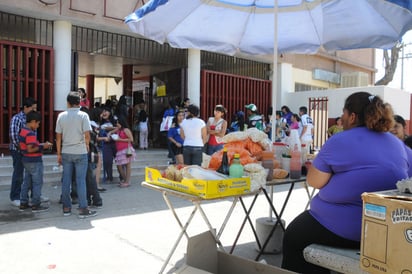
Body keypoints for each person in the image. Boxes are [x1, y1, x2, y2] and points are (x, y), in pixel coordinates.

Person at [281, 92, 412, 273]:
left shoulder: (339, 141)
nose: (341, 119)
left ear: (352, 116)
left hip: (343, 228)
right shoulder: (397, 144)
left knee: (293, 235)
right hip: (387, 229)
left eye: (343, 113)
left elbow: (314, 181)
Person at [55, 91, 97, 218]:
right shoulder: (83, 115)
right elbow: (87, 135)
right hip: (80, 151)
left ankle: (66, 208)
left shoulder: (61, 116)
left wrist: (58, 154)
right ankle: (83, 208)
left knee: (66, 180)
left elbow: (58, 137)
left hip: (66, 151)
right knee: (80, 181)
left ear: (68, 102)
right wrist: (87, 146)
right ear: (79, 102)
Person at [18, 111, 52, 212]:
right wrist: (43, 146)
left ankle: (23, 202)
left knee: (27, 182)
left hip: (26, 160)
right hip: (34, 160)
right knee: (37, 183)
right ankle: (36, 204)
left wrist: (40, 145)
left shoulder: (23, 130)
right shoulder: (30, 133)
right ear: (33, 121)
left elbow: (26, 147)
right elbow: (30, 148)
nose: (38, 126)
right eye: (37, 123)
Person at [9, 97, 40, 207]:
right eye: (33, 108)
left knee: (30, 175)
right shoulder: (17, 118)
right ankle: (15, 196)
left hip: (29, 152)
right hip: (18, 151)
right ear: (25, 107)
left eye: (36, 108)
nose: (34, 110)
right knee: (18, 174)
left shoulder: (32, 118)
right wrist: (23, 148)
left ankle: (34, 196)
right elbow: (13, 136)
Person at [111, 116, 135, 188]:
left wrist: (120, 139)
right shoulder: (118, 130)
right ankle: (125, 180)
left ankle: (127, 181)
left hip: (126, 149)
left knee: (127, 165)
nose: (117, 124)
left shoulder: (126, 130)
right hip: (120, 150)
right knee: (119, 165)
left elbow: (131, 139)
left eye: (118, 122)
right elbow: (111, 132)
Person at [99, 106, 117, 184]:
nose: (105, 113)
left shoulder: (115, 120)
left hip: (116, 142)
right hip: (106, 144)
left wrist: (111, 130)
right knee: (107, 161)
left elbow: (119, 128)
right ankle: (109, 177)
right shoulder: (99, 122)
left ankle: (122, 176)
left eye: (106, 111)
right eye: (103, 111)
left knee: (120, 160)